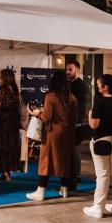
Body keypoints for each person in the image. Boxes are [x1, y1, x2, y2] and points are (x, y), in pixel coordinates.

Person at [26, 71, 79, 200]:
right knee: (65, 162)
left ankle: (41, 191)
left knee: (46, 161)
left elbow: (47, 117)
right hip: (68, 133)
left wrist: (38, 113)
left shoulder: (50, 96)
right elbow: (76, 117)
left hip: (52, 134)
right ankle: (65, 190)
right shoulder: (72, 97)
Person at [83, 74, 112, 219]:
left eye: (98, 85)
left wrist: (90, 114)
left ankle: (98, 207)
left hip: (102, 139)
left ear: (105, 87)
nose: (97, 87)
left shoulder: (99, 102)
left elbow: (94, 125)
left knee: (102, 174)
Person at [66, 61, 87, 186]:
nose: (68, 72)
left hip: (76, 122)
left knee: (74, 150)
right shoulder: (72, 83)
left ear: (77, 69)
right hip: (72, 121)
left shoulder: (79, 84)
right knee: (73, 150)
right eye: (67, 69)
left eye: (70, 69)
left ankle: (76, 176)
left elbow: (75, 104)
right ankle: (75, 174)